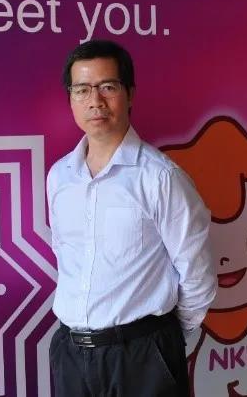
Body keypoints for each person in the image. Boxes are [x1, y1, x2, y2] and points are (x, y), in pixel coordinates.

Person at [46, 39, 217, 396]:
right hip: (71, 354)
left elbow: (197, 270)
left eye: (107, 87)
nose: (95, 101)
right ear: (71, 99)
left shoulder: (160, 177)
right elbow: (64, 254)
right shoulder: (60, 177)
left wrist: (165, 339)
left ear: (130, 94)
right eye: (82, 90)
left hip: (142, 355)